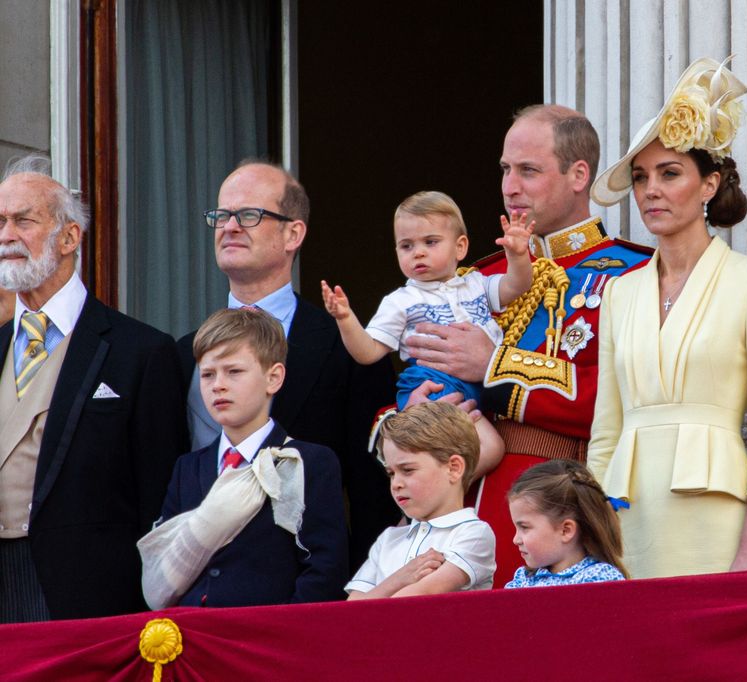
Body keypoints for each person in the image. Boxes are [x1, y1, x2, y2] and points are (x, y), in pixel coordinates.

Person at [403, 105, 652, 587]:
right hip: (455, 509)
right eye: (505, 170)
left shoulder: (632, 274)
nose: (509, 186)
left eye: (528, 171)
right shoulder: (476, 279)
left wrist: (494, 365)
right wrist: (411, 416)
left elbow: (617, 396)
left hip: (556, 509)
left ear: (579, 175)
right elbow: (412, 376)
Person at [587, 57, 747, 579]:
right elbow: (605, 433)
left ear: (709, 184)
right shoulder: (618, 292)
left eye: (670, 173)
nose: (650, 190)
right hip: (623, 516)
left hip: (715, 518)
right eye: (640, 178)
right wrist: (589, 541)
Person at [179, 160, 397, 572]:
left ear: (293, 233)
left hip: (306, 582)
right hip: (198, 587)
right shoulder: (179, 353)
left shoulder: (350, 346)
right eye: (221, 216)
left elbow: (373, 491)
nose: (229, 227)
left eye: (249, 215)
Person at [0, 155, 188, 622]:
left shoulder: (142, 352)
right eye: (0, 222)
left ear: (69, 237)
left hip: (88, 600)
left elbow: (159, 500)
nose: (6, 235)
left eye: (23, 220)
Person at [140, 308, 347, 607]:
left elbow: (324, 569)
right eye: (207, 374)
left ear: (273, 378)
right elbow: (166, 566)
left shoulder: (308, 462)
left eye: (233, 371)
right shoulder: (187, 468)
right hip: (191, 638)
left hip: (268, 641)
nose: (217, 385)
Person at [321, 191, 532, 475]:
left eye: (430, 242)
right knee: (490, 448)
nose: (418, 252)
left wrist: (517, 255)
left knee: (458, 456)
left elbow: (516, 285)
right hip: (433, 387)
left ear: (460, 247)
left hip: (478, 389)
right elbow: (367, 352)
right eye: (406, 246)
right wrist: (346, 319)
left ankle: (435, 499)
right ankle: (440, 498)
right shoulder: (401, 300)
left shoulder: (476, 283)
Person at [346, 401, 496, 598]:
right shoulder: (388, 539)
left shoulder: (472, 534)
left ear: (454, 468)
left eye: (407, 470)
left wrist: (381, 591)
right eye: (391, 473)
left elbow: (414, 600)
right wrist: (400, 577)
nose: (395, 483)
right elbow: (351, 609)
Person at [505, 460, 627, 588]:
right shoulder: (523, 579)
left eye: (524, 527)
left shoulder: (599, 579)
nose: (515, 540)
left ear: (566, 530)